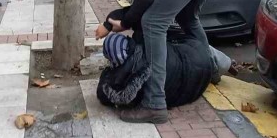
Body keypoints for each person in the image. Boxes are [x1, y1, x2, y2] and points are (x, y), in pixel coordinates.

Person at [89, 0, 222, 124]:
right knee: (187, 18)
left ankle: (154, 104)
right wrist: (113, 22)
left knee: (153, 23)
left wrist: (124, 24)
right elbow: (145, 3)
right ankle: (211, 69)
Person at [97, 31, 238, 108]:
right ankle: (226, 64)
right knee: (194, 50)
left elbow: (103, 94)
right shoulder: (145, 43)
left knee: (190, 60)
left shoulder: (121, 81)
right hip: (199, 59)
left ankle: (218, 68)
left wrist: (108, 72)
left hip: (194, 91)